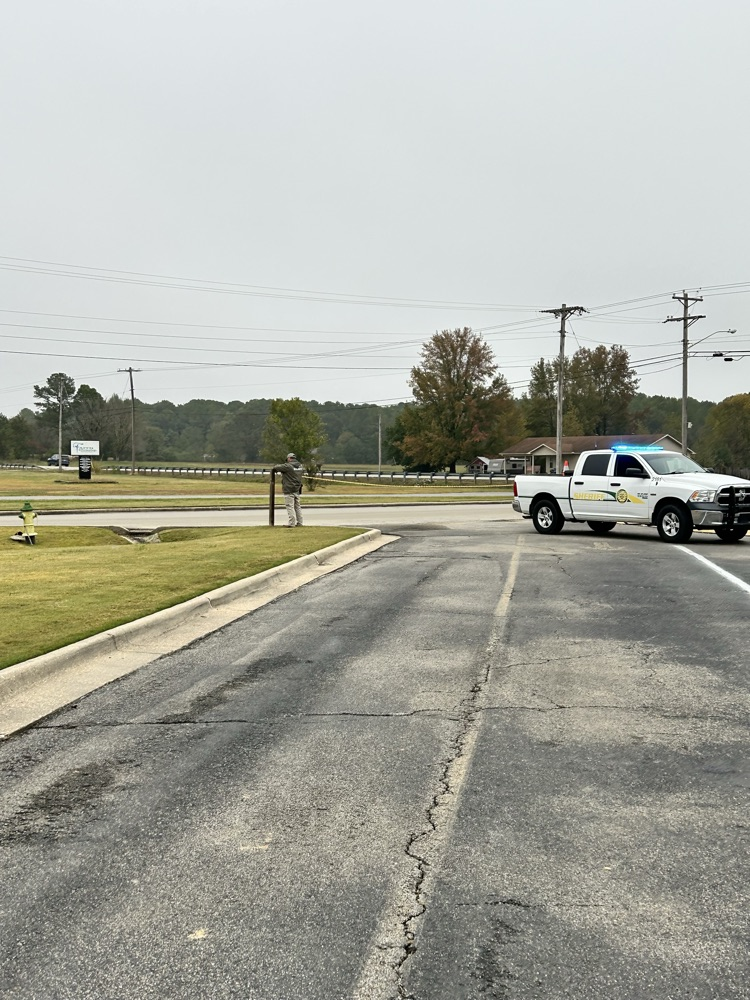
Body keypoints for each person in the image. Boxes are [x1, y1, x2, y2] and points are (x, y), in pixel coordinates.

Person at [272, 453, 304, 527]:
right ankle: (300, 522)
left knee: (290, 506)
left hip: (289, 488)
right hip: (297, 488)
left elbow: (276, 467)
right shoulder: (300, 466)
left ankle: (291, 523)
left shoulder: (288, 466)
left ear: (289, 458)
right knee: (297, 506)